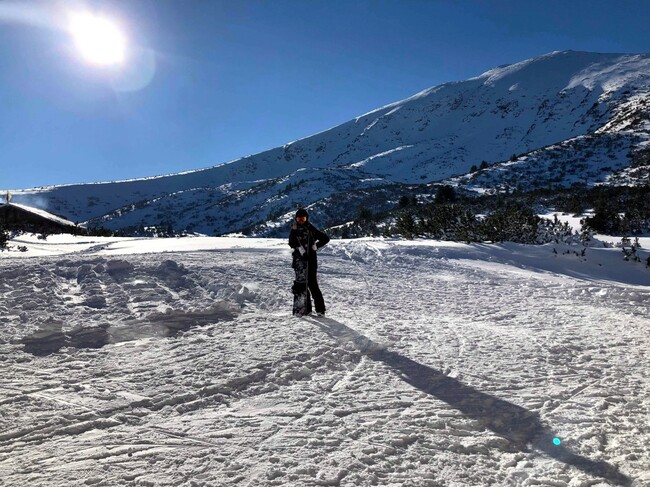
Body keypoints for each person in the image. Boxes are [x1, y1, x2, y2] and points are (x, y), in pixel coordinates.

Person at [288, 208, 330, 316]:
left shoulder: (310, 228)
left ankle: (320, 310)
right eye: (299, 219)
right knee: (302, 285)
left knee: (312, 285)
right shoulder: (294, 229)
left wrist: (316, 246)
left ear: (306, 218)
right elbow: (291, 242)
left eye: (303, 218)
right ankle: (306, 309)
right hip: (299, 263)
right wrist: (298, 248)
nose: (301, 221)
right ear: (296, 219)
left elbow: (325, 238)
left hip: (311, 262)